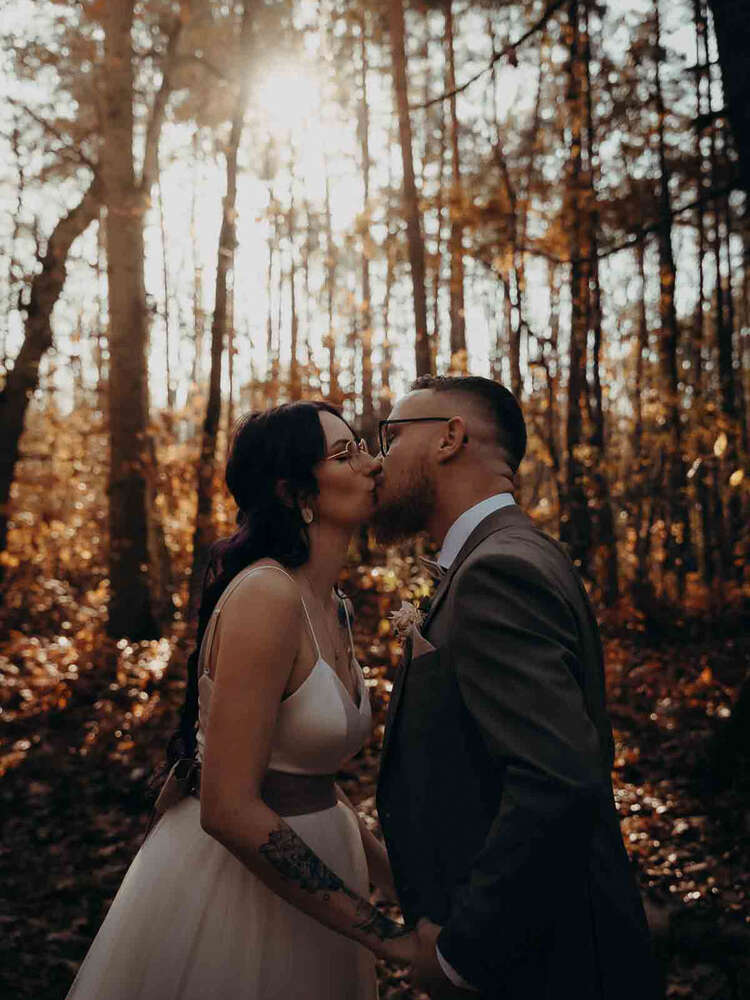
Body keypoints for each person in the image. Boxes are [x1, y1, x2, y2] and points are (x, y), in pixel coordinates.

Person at [66, 401, 414, 1000]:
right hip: (239, 890)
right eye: (345, 452)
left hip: (320, 875)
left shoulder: (334, 604)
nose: (370, 463)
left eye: (363, 446)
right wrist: (386, 937)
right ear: (292, 490)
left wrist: (407, 889)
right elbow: (228, 808)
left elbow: (307, 779)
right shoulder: (266, 596)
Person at [372, 375, 662, 1000]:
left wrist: (462, 958)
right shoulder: (518, 551)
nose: (378, 459)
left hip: (544, 967)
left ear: (449, 437)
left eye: (391, 437)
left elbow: (555, 778)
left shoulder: (496, 570)